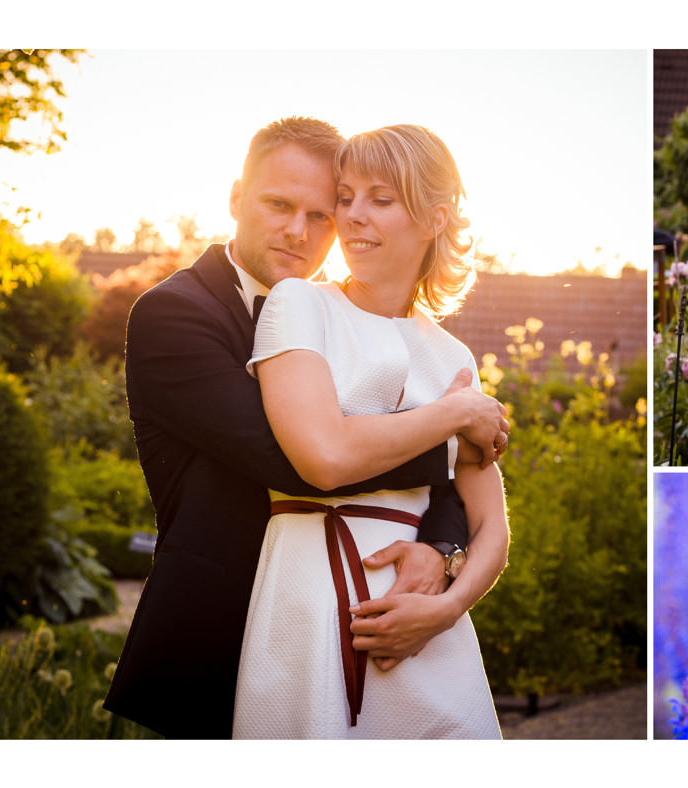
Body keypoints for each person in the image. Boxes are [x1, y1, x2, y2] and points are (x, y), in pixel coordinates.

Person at [104, 117, 509, 739]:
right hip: (228, 619)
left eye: (323, 211)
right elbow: (303, 458)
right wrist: (453, 429)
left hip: (388, 609)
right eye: (278, 205)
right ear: (237, 199)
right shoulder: (174, 315)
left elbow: (467, 506)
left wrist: (440, 552)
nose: (304, 229)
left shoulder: (436, 349)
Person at [232, 124, 508, 738]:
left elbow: (491, 524)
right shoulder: (299, 305)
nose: (353, 216)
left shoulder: (451, 353)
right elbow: (323, 458)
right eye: (348, 196)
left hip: (428, 622)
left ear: (434, 218)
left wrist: (444, 607)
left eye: (380, 200)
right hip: (309, 592)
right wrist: (455, 413)